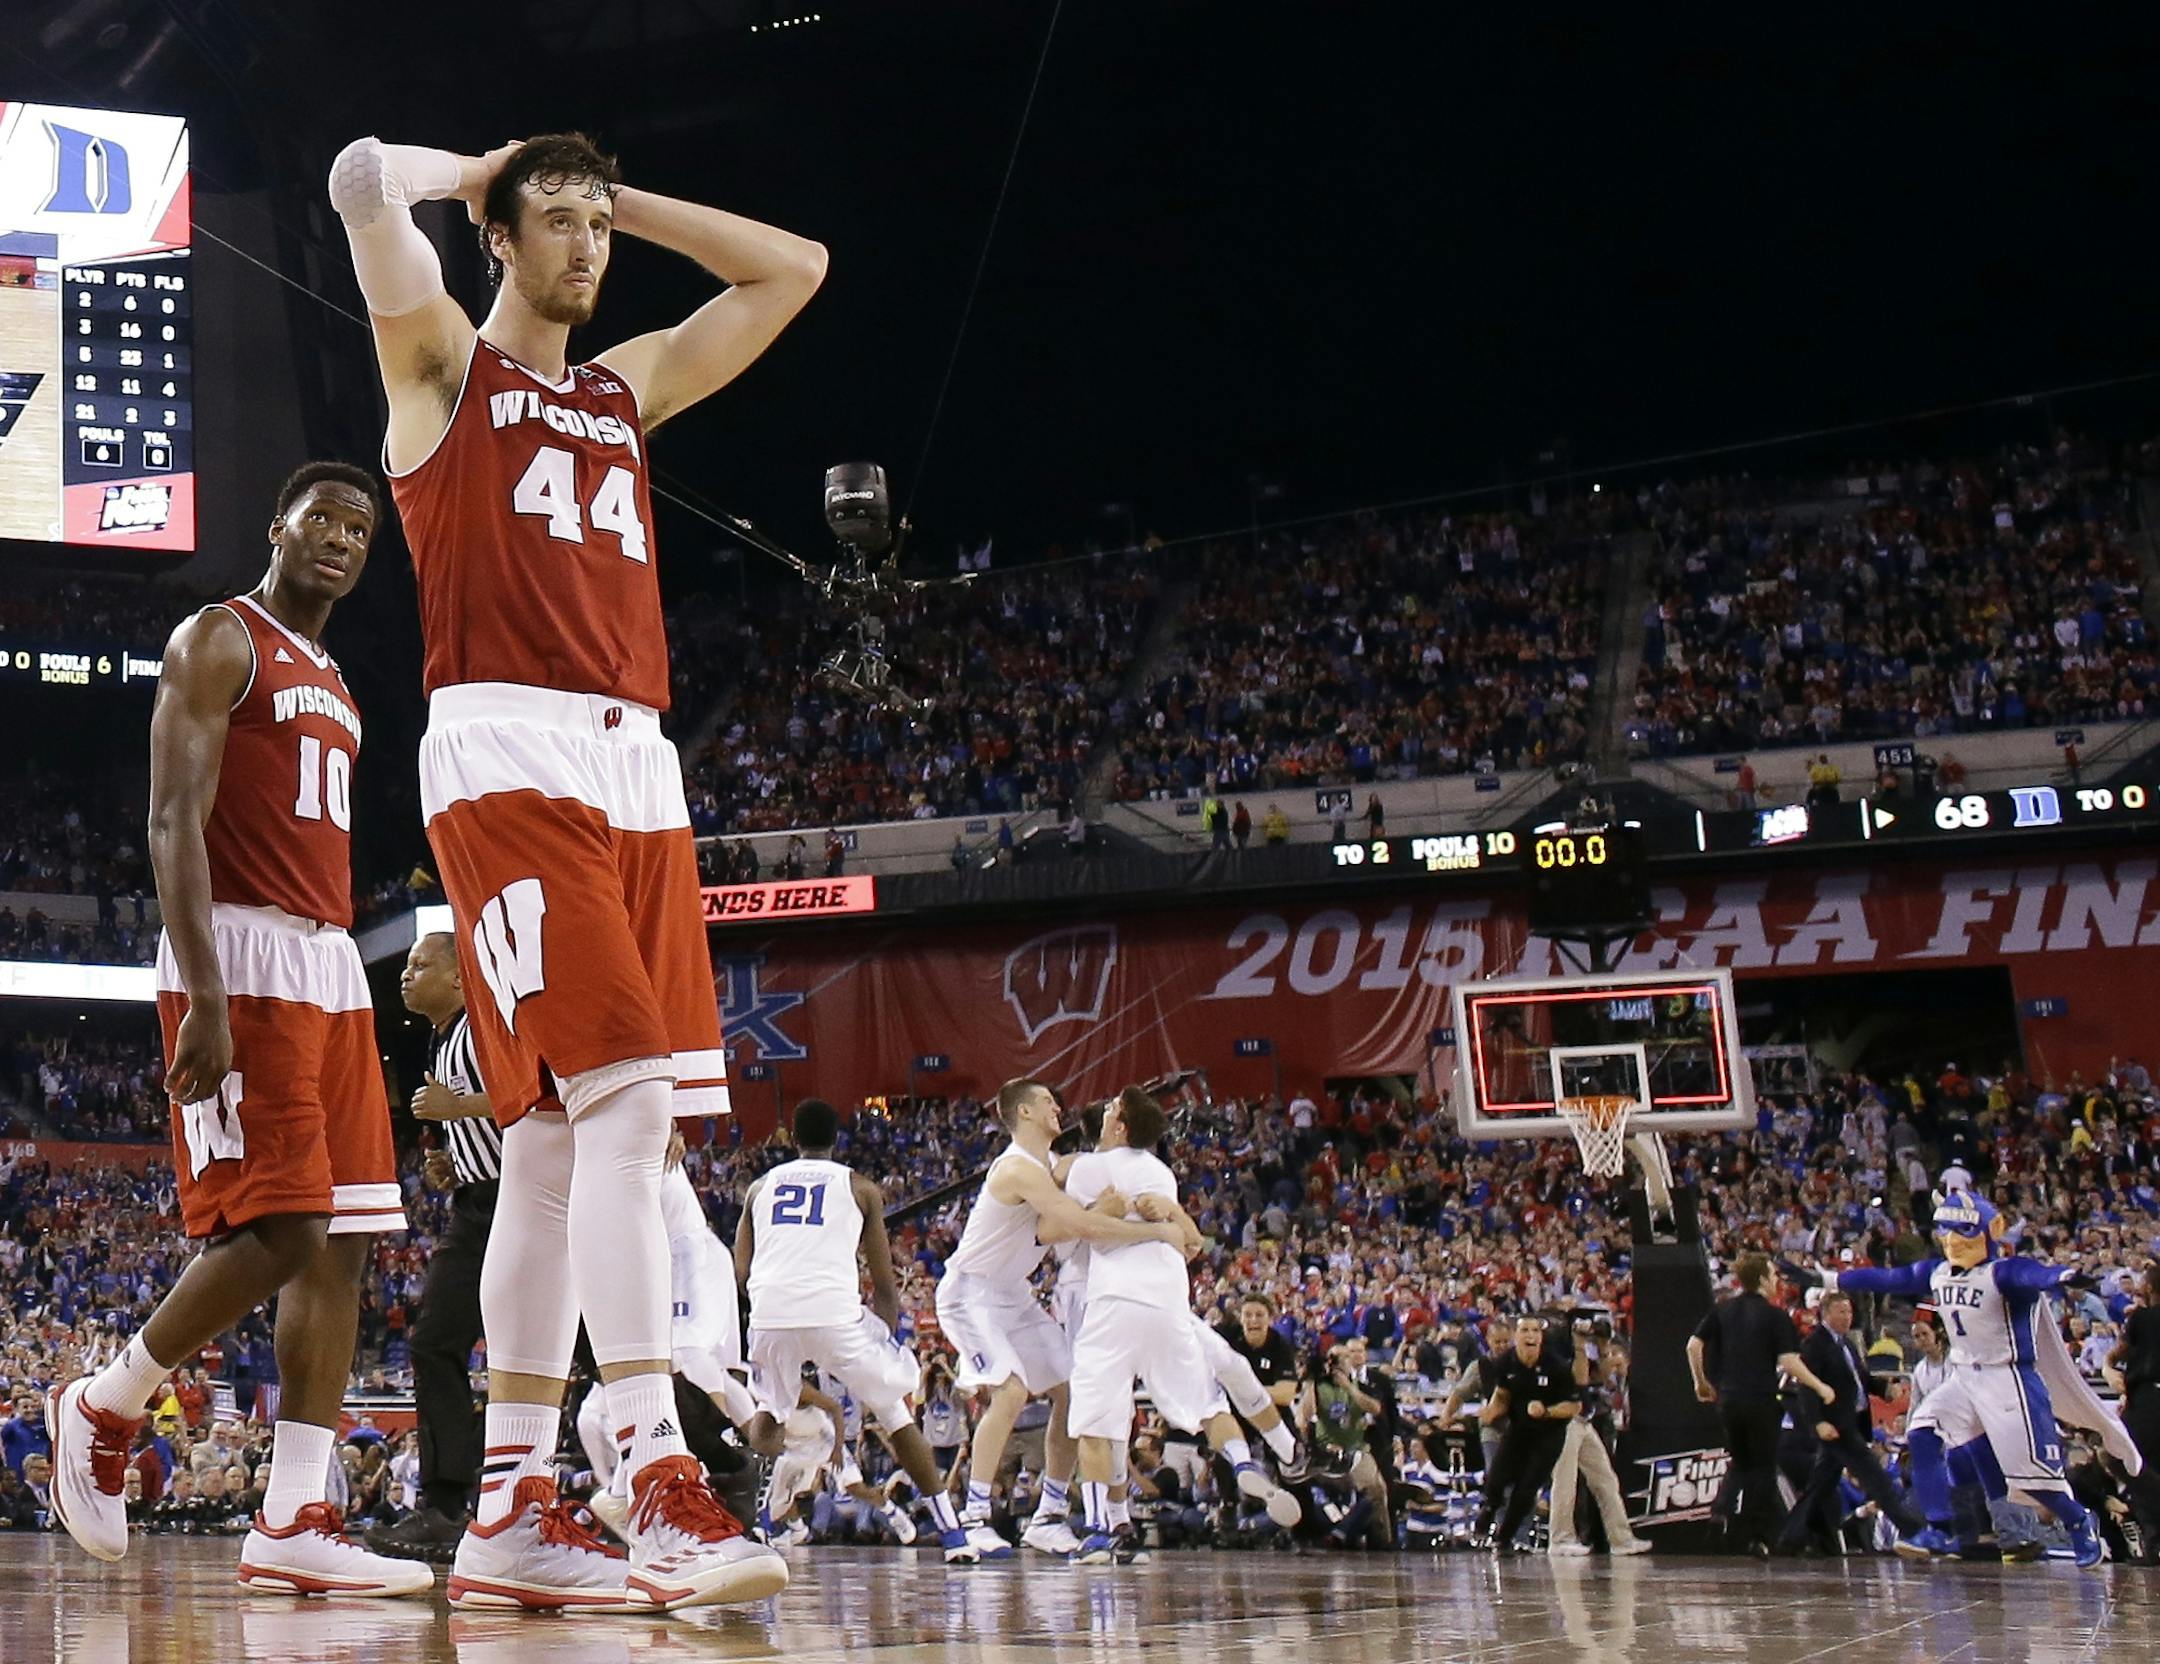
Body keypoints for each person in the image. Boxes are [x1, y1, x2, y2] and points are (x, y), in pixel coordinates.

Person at [332, 126, 822, 1613]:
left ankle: (510, 1506)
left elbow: (793, 270)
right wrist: (483, 168)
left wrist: (624, 195)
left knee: (549, 1143)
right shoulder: (437, 373)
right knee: (629, 1111)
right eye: (560, 223)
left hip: (636, 768)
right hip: (508, 754)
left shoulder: (626, 388)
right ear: (498, 235)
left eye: (600, 226)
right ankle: (651, 1464)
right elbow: (358, 178)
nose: (589, 248)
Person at [46, 465, 428, 1599]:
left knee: (349, 1233)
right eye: (324, 519)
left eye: (361, 529)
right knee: (283, 1224)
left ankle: (295, 1513)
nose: (343, 540)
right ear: (278, 527)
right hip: (242, 951)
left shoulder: (342, 680)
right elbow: (173, 815)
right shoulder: (221, 636)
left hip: (328, 960)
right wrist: (205, 990)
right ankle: (106, 1399)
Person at [1797, 1191, 2142, 1568]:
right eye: (1946, 1230)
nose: (1953, 1239)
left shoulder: (2001, 1272)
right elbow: (1891, 1277)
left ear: (1990, 1230)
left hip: (2007, 1378)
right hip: (1964, 1375)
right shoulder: (1939, 1272)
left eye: (1963, 1230)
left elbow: (2031, 1273)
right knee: (1921, 1432)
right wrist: (1829, 1276)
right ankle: (1939, 1528)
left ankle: (2078, 1520)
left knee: (2031, 1480)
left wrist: (2062, 1276)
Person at [935, 1078, 1187, 1559]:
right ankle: (973, 1517)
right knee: (1009, 1392)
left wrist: (1097, 1189)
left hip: (1014, 1295)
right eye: (1048, 1102)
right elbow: (1081, 1225)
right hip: (971, 1294)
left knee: (1074, 1391)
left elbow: (1052, 1225)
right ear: (1024, 1113)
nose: (1059, 1108)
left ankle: (1049, 1514)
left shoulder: (1050, 1167)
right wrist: (1159, 1230)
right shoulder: (1015, 1168)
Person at [1062, 1087, 1295, 1563]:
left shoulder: (1086, 1167)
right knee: (1205, 1402)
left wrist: (1106, 1216)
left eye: (1112, 1109)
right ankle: (1244, 1460)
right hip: (1170, 1301)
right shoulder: (1160, 1172)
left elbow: (1081, 1231)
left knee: (1095, 1422)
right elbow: (1191, 1243)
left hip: (1112, 1301)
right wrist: (1168, 1220)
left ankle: (1101, 1532)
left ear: (1120, 1126)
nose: (1105, 1111)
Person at [736, 1099, 974, 1562]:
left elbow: (741, 1269)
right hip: (833, 1314)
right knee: (892, 1410)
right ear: (836, 1138)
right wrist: (883, 1341)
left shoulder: (759, 1187)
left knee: (768, 1411)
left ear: (794, 1139)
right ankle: (953, 1534)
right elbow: (884, 1285)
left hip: (769, 1312)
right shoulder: (860, 1187)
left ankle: (749, 1521)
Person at [367, 932, 502, 1560]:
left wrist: (460, 1107)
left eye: (422, 965)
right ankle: (447, 1504)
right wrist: (455, 1159)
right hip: (477, 1199)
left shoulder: (481, 1027)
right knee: (436, 1342)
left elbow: (536, 1095)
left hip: (516, 1201)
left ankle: (710, 1460)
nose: (407, 973)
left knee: (577, 1353)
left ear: (456, 978)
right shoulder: (441, 1037)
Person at [1687, 1250, 1837, 1557]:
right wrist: (1820, 1386)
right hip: (1760, 1400)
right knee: (1763, 1469)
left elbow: (1693, 1345)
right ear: (1763, 1279)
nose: (1777, 1280)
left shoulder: (1722, 1310)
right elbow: (1789, 1361)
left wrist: (1700, 1382)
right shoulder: (1775, 1316)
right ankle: (1757, 1537)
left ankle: (1720, 1511)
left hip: (1728, 1400)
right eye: (1773, 1274)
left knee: (1741, 1461)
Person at [1773, 1291, 1926, 1555]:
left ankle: (1789, 1540)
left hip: (1850, 1422)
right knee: (1876, 1478)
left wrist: (1883, 1389)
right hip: (1836, 1426)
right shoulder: (1814, 1344)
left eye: (1849, 1312)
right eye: (1841, 1312)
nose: (1847, 1317)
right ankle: (1913, 1532)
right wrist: (1818, 1422)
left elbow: (1861, 1378)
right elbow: (1808, 1389)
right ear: (1825, 1313)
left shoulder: (1846, 1344)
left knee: (1820, 1487)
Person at [1547, 1322, 1649, 1557]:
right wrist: (1580, 1346)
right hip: (1563, 1420)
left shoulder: (1584, 1351)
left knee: (1605, 1479)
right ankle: (1560, 1538)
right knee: (1565, 1480)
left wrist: (1602, 1346)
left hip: (1584, 1420)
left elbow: (1605, 1378)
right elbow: (1580, 1379)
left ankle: (1621, 1540)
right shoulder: (1556, 1352)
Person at [1475, 1316, 1575, 1552]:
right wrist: (1491, 1412)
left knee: (1526, 1488)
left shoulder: (1556, 1365)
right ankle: (1486, 1512)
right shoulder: (1505, 1362)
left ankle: (1506, 1537)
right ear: (1516, 1336)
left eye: (1535, 1331)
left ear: (1541, 1338)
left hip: (1548, 1434)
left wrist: (1546, 1411)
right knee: (1497, 1477)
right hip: (1519, 1429)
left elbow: (1573, 1407)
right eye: (1525, 1330)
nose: (1530, 1335)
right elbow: (1502, 1394)